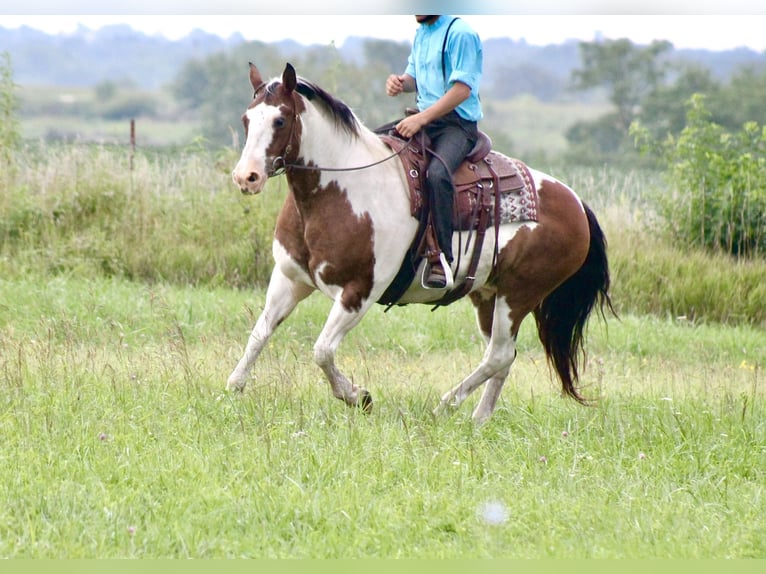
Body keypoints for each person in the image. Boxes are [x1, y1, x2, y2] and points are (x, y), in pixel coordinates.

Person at [386, 15, 483, 289]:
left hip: (456, 125)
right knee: (380, 150)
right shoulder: (422, 33)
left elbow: (462, 90)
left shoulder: (461, 33)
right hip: (425, 119)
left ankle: (442, 258)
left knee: (437, 174)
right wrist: (399, 83)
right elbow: (413, 78)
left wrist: (421, 119)